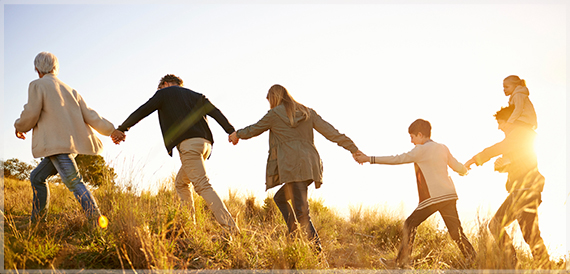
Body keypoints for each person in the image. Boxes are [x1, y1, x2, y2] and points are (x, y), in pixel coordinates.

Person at [229, 84, 362, 250]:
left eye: (269, 98)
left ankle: (316, 252)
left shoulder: (274, 114)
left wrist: (237, 134)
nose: (268, 102)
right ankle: (294, 237)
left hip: (292, 166)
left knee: (302, 213)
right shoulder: (307, 112)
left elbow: (254, 129)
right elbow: (331, 132)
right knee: (280, 199)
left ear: (274, 97)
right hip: (310, 165)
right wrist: (353, 148)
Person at [114, 74, 239, 235]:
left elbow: (143, 110)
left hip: (189, 145)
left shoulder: (164, 93)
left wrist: (123, 128)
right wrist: (230, 131)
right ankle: (189, 227)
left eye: (160, 88)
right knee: (181, 183)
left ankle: (231, 229)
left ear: (165, 84)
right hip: (205, 144)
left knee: (202, 185)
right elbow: (215, 112)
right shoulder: (196, 95)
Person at [14, 52, 124, 226]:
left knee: (74, 182)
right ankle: (38, 222)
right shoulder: (70, 90)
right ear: (55, 68)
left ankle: (97, 223)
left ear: (37, 69)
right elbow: (91, 115)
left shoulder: (37, 85)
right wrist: (111, 130)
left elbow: (31, 112)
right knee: (36, 177)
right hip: (68, 146)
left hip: (56, 146)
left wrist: (19, 126)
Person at [354, 119, 476, 268]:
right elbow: (458, 167)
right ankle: (473, 259)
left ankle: (400, 264)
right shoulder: (443, 147)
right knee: (456, 232)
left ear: (420, 134)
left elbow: (397, 159)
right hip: (449, 196)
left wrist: (369, 159)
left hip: (433, 198)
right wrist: (466, 169)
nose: (411, 141)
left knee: (409, 224)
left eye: (412, 137)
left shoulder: (420, 150)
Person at [465, 106, 549, 268]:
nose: (499, 127)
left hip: (526, 191)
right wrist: (503, 165)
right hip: (521, 191)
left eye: (501, 123)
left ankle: (524, 265)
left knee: (524, 233)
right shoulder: (516, 140)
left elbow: (497, 149)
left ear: (510, 120)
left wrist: (473, 160)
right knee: (520, 232)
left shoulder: (519, 134)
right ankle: (519, 264)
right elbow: (518, 163)